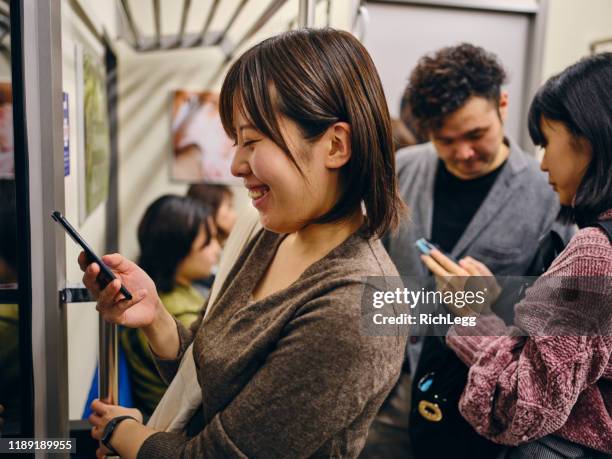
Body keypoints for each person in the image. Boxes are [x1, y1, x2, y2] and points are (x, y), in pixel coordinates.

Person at [80, 28, 407, 459]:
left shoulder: (356, 305)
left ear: (335, 145)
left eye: (252, 141)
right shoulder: (269, 234)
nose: (236, 164)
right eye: (236, 142)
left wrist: (124, 433)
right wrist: (155, 315)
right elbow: (210, 380)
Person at [366, 43, 573, 459]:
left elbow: (560, 325)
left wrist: (491, 305)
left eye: (476, 135)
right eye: (445, 140)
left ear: (502, 104)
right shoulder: (403, 170)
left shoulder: (549, 193)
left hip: (479, 409)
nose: (463, 153)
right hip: (389, 394)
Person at [422, 52, 612, 457]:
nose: (544, 162)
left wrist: (474, 312)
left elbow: (522, 402)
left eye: (547, 141)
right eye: (445, 140)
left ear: (590, 137)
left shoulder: (593, 251)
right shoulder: (406, 171)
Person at [121, 195, 220, 418]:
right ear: (180, 249)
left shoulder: (176, 289)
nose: (217, 248)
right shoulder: (174, 314)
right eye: (209, 241)